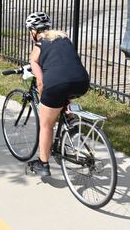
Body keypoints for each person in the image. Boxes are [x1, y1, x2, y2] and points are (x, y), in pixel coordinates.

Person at [25, 12, 90, 177]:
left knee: (46, 124)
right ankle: (69, 118)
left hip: (57, 84)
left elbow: (40, 83)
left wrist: (43, 99)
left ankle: (43, 164)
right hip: (81, 81)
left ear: (33, 32)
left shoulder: (38, 47)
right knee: (63, 94)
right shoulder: (64, 37)